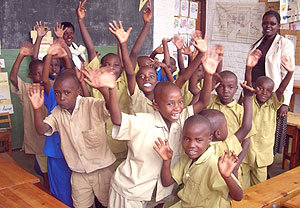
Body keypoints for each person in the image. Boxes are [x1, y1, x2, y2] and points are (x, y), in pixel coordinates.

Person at [108, 46, 218, 207]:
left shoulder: (182, 119)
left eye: (180, 101)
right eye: (169, 104)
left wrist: (208, 73)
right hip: (130, 193)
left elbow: (203, 101)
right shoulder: (144, 121)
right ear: (156, 105)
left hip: (159, 194)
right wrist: (110, 89)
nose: (177, 108)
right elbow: (118, 120)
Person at [28, 67, 120, 208]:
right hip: (78, 174)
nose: (62, 97)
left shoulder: (90, 105)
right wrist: (37, 109)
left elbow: (111, 108)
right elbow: (42, 130)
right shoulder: (58, 112)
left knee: (109, 204)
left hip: (102, 170)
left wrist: (104, 89)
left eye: (67, 92)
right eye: (57, 93)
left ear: (78, 92)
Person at [154, 115, 243, 207]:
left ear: (209, 139)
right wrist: (167, 160)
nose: (191, 145)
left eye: (198, 140)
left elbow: (238, 196)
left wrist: (227, 177)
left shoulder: (214, 165)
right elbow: (167, 182)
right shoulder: (186, 158)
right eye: (187, 139)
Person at [242, 49, 295, 188]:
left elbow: (281, 88)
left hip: (262, 155)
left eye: (268, 90)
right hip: (245, 154)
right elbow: (247, 83)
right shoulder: (249, 100)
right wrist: (249, 68)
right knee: (242, 186)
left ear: (272, 93)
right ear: (255, 87)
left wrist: (290, 73)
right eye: (260, 88)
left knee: (260, 187)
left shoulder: (273, 104)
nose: (264, 92)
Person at [248, 10, 295, 155]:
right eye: (265, 23)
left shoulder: (285, 44)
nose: (268, 26)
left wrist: (285, 102)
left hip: (272, 96)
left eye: (272, 23)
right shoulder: (258, 42)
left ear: (278, 25)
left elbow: (288, 73)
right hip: (255, 93)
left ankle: (266, 168)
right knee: (253, 131)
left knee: (270, 134)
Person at [9, 42, 48, 189]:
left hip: (53, 138)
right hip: (38, 140)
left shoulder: (52, 87)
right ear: (30, 75)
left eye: (43, 72)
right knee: (44, 172)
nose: (39, 76)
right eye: (36, 73)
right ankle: (47, 191)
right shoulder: (27, 89)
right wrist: (21, 55)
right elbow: (13, 78)